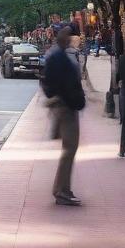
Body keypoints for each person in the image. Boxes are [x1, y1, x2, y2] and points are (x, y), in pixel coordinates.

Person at [41, 26, 86, 206]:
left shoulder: (57, 55)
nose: (69, 38)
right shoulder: (58, 57)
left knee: (69, 149)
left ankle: (62, 189)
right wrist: (70, 99)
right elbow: (59, 83)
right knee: (69, 148)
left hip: (65, 105)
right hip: (66, 106)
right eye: (67, 35)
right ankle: (61, 190)